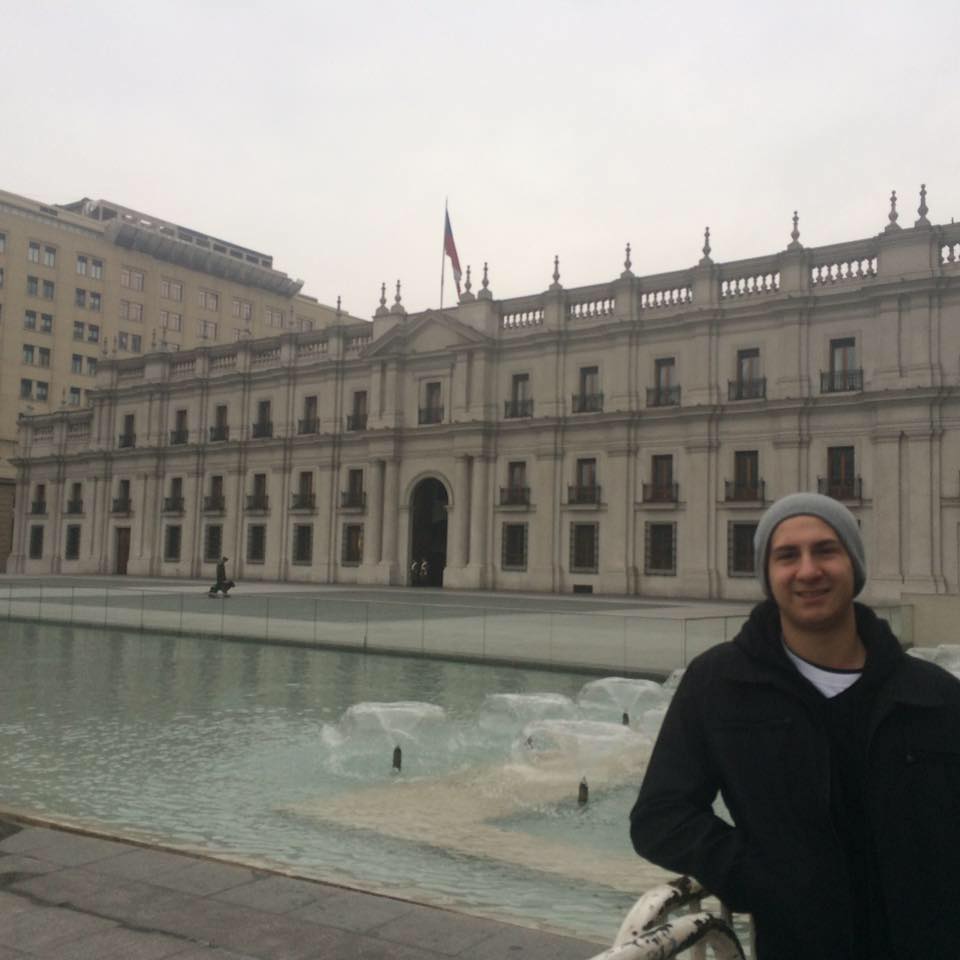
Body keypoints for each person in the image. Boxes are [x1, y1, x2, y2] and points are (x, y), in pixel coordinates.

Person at [630, 493, 960, 960]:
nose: (808, 571)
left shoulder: (935, 695)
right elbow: (659, 817)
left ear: (854, 565)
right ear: (768, 575)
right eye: (787, 556)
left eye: (826, 550)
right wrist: (759, 877)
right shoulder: (719, 684)